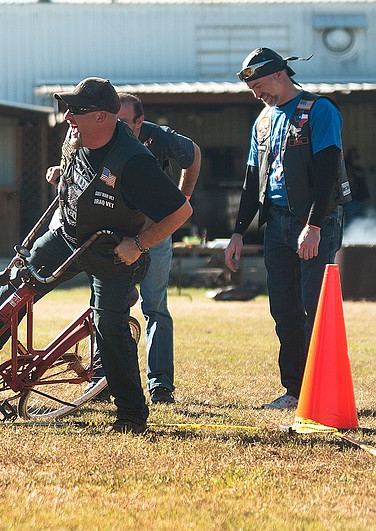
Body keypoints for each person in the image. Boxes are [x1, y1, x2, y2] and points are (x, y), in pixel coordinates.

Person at [0, 77, 192, 433]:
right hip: (69, 236)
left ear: (103, 118)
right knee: (21, 279)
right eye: (68, 109)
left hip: (113, 251)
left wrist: (139, 245)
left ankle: (130, 413)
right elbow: (74, 171)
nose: (67, 117)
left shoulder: (135, 163)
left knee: (108, 325)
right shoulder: (76, 138)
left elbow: (180, 212)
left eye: (77, 111)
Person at [224, 48, 350, 410]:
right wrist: (237, 233)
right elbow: (252, 180)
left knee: (314, 307)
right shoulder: (262, 121)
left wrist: (313, 225)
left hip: (315, 220)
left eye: (259, 85)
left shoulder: (319, 111)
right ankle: (295, 390)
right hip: (275, 222)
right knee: (284, 307)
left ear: (280, 75)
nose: (256, 94)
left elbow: (328, 171)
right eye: (251, 88)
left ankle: (321, 389)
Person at [115, 93, 200, 404]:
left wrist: (183, 200)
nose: (117, 127)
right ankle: (102, 377)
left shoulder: (161, 139)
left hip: (157, 231)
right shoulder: (104, 138)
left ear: (141, 122)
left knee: (155, 307)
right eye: (113, 120)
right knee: (110, 307)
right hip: (118, 233)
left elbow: (193, 153)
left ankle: (160, 384)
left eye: (124, 122)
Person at [343, 147, 370, 225]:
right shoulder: (346, 169)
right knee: (350, 224)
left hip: (360, 199)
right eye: (354, 158)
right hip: (351, 201)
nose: (356, 160)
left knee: (362, 223)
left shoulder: (360, 169)